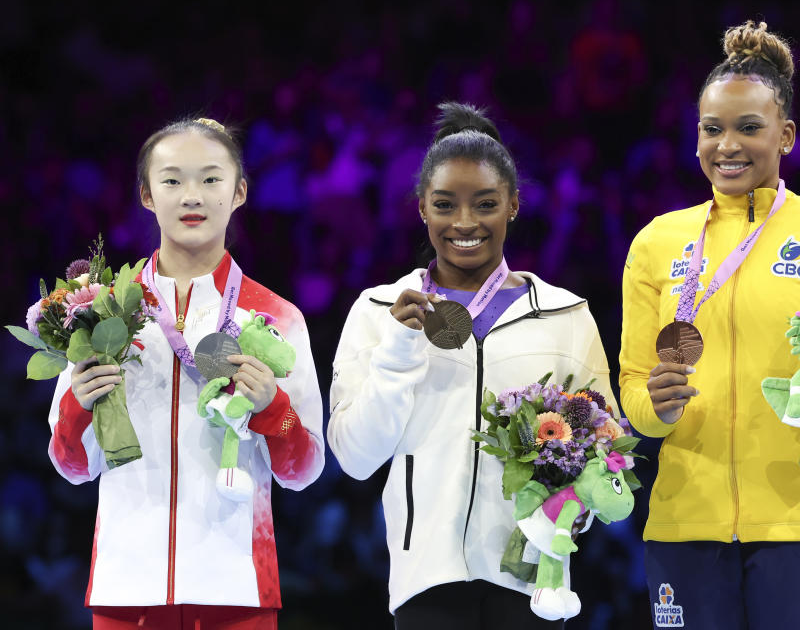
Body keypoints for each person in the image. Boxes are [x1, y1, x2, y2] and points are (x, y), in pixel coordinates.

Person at [619, 21, 800, 629]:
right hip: (683, 523)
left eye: (749, 127)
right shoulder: (655, 243)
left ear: (786, 135)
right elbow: (635, 389)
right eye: (711, 128)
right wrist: (654, 408)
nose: (727, 145)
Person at [328, 102, 617, 629]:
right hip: (425, 579)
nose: (464, 223)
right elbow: (354, 457)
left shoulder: (566, 314)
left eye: (484, 204)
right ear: (422, 208)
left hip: (532, 570)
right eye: (445, 205)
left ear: (513, 205)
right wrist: (398, 350)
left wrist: (575, 513)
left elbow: (605, 446)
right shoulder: (379, 310)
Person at [48, 118, 325, 629]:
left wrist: (274, 410)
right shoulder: (103, 311)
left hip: (238, 587)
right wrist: (75, 407)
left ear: (239, 191)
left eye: (212, 179)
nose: (192, 195)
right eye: (172, 180)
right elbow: (72, 466)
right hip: (125, 588)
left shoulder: (277, 316)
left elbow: (303, 469)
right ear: (147, 195)